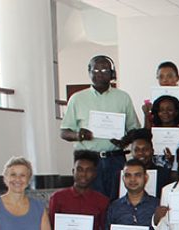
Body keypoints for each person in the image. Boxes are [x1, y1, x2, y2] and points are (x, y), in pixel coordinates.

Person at [60, 55, 140, 200]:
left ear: (112, 73)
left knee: (117, 201)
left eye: (104, 69)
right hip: (88, 161)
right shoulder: (77, 98)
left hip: (115, 159)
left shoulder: (123, 98)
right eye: (95, 69)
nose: (99, 73)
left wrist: (125, 140)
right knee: (89, 203)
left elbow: (134, 129)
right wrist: (78, 135)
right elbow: (64, 132)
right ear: (89, 72)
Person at [142, 61, 179, 132]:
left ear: (177, 78)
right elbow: (147, 130)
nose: (165, 80)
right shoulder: (150, 103)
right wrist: (146, 115)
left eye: (169, 76)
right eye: (161, 77)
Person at [123, 128, 175, 195]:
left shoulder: (163, 174)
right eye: (136, 150)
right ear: (132, 152)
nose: (141, 153)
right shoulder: (122, 174)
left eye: (145, 149)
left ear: (152, 151)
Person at [146, 95, 179, 170]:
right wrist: (146, 115)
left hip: (176, 174)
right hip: (155, 174)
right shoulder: (152, 133)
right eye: (161, 110)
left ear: (176, 112)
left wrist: (173, 160)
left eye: (169, 109)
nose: (165, 112)